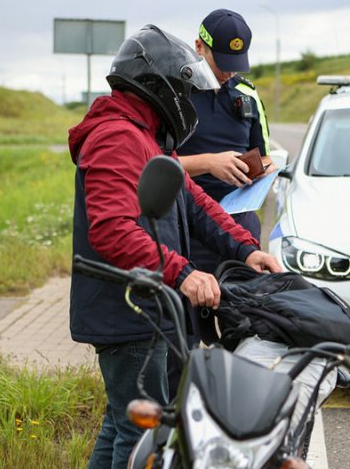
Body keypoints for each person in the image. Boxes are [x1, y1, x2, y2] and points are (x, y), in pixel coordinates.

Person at [68, 24, 281, 469]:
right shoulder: (117, 137)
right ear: (157, 86)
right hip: (126, 311)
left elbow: (196, 203)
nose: (187, 102)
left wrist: (246, 249)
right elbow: (111, 229)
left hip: (143, 306)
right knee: (139, 432)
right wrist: (182, 273)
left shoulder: (142, 135)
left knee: (120, 421)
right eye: (182, 91)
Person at [176, 8, 276, 273]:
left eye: (236, 63)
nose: (229, 71)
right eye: (222, 62)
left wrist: (258, 170)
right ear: (199, 47)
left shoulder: (248, 96)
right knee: (191, 312)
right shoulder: (175, 96)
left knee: (243, 312)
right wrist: (209, 163)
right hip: (188, 226)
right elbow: (150, 162)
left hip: (240, 227)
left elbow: (266, 158)